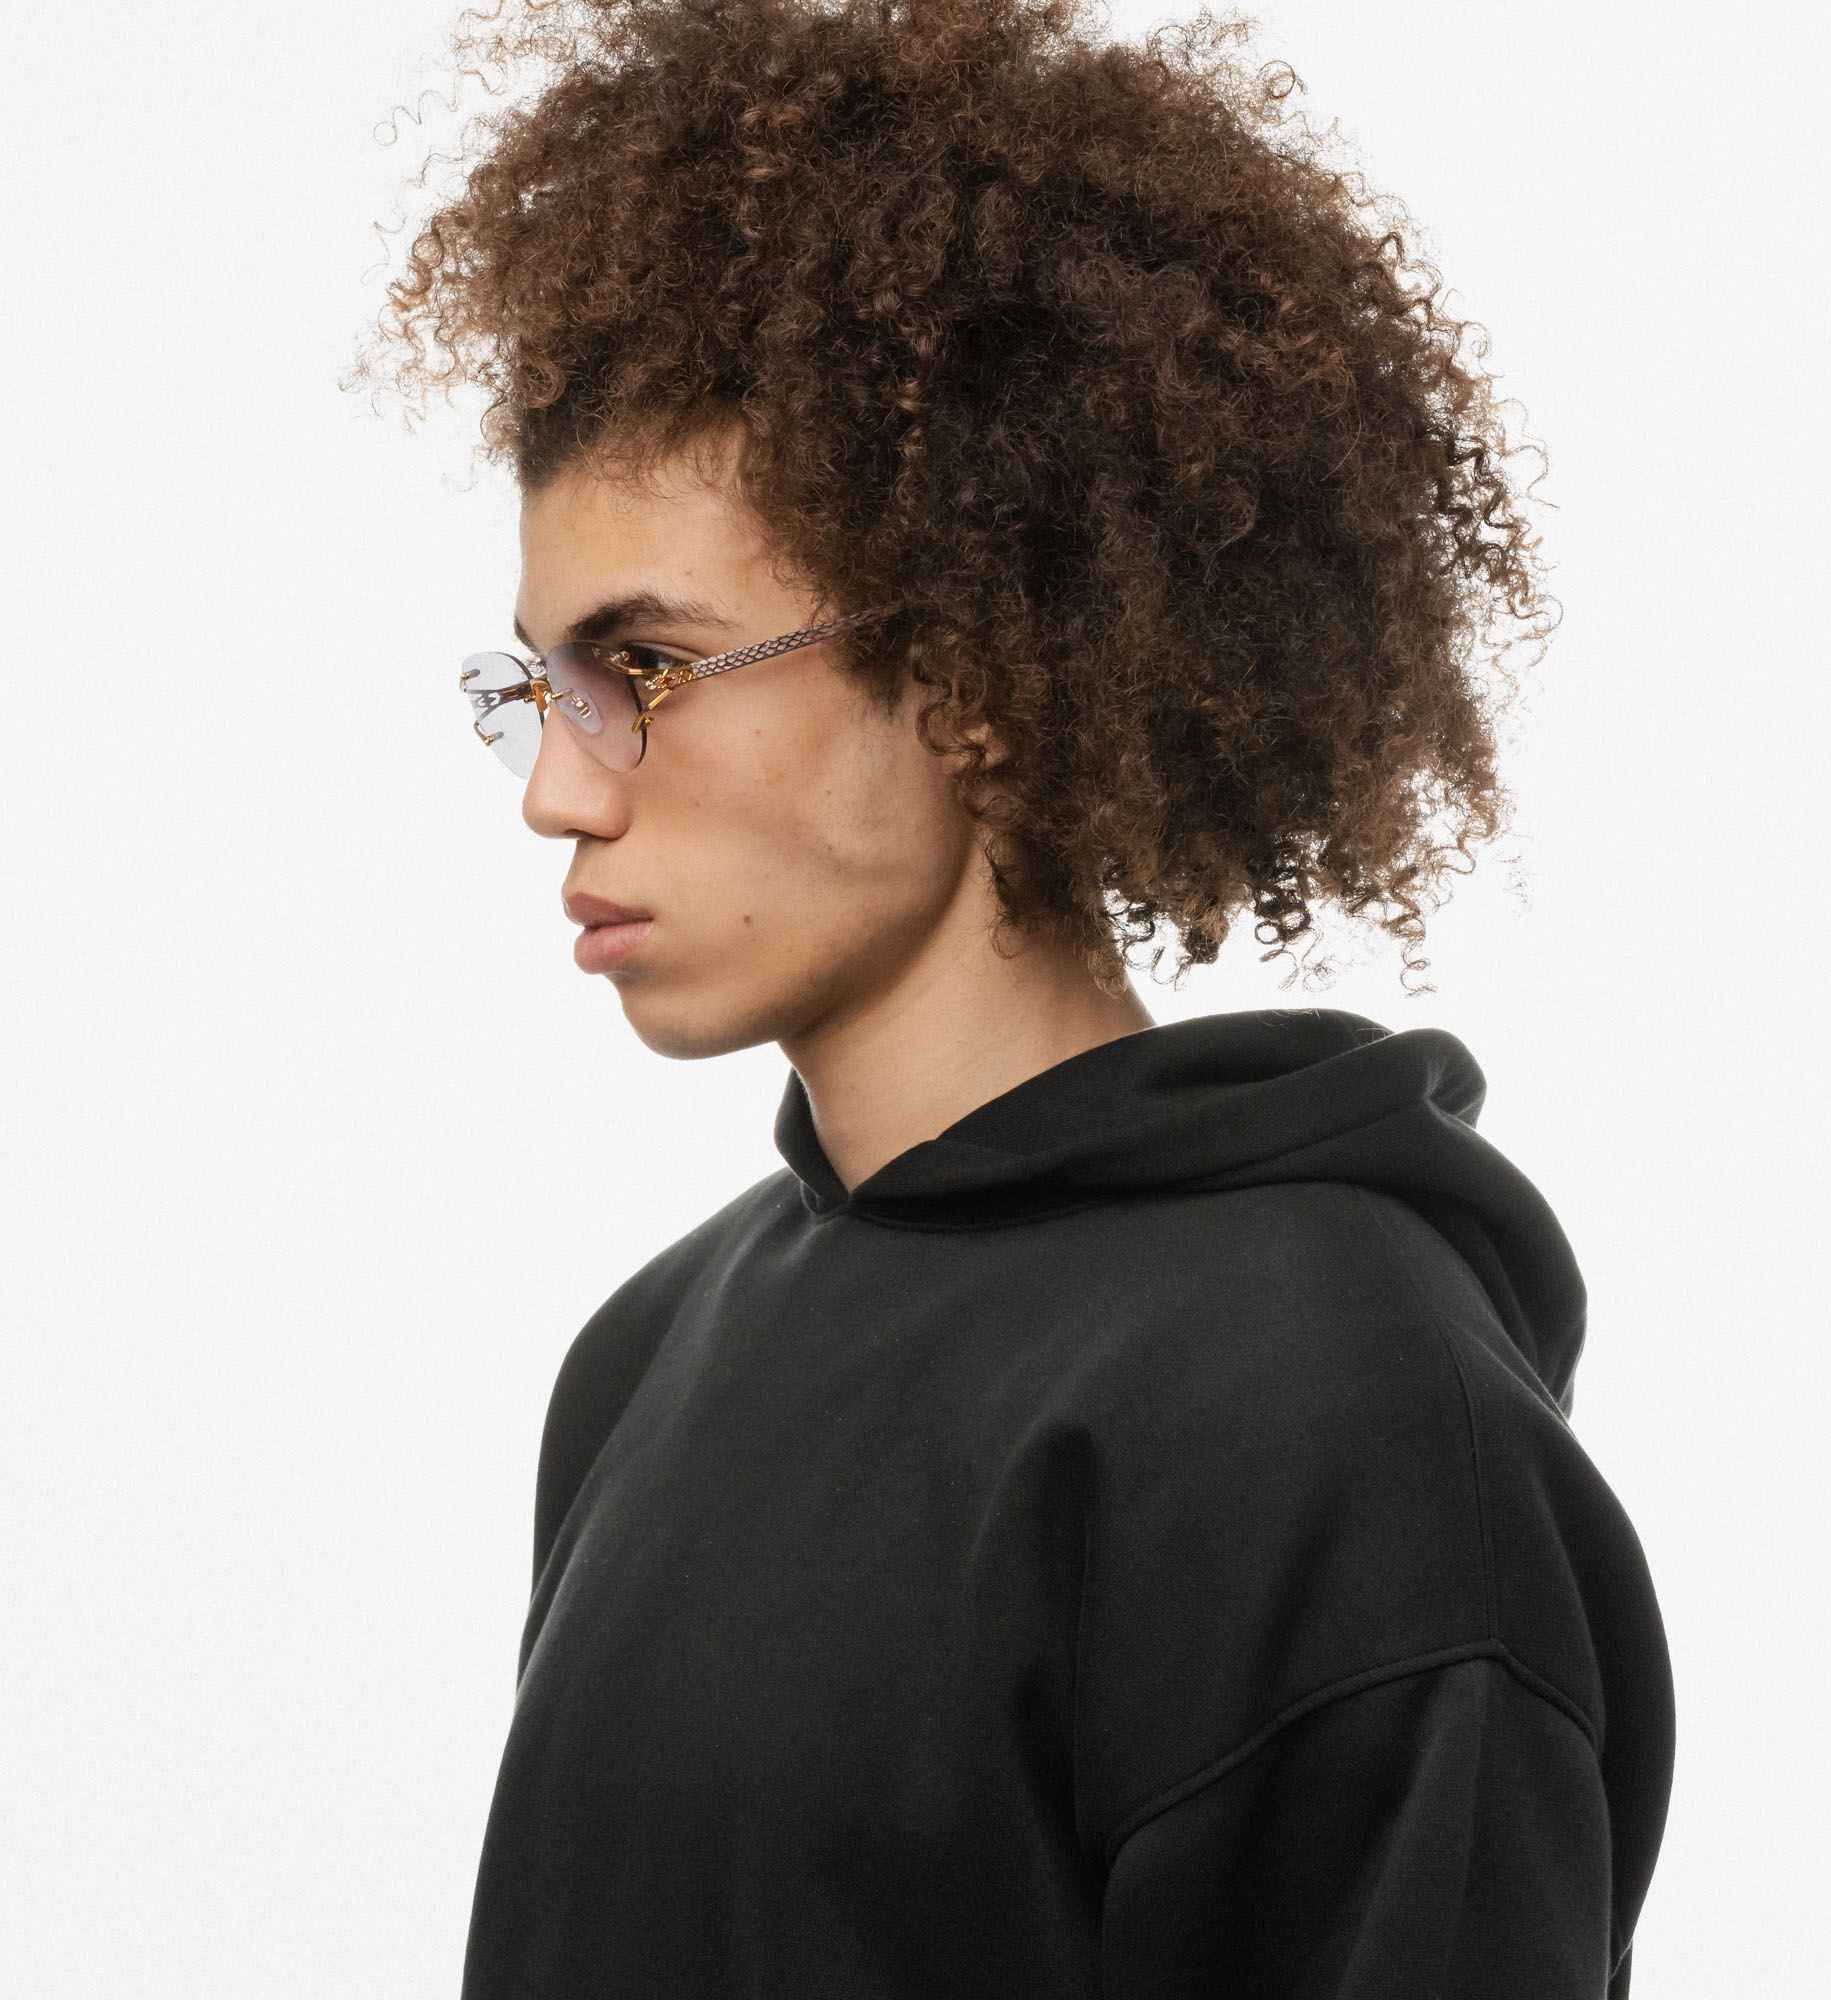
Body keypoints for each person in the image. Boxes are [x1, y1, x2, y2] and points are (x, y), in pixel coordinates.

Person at [347, 1, 1675, 1992]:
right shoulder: (651, 1355)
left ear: (972, 676)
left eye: (647, 670)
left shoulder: (1339, 1422)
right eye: (535, 688)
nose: (557, 786)